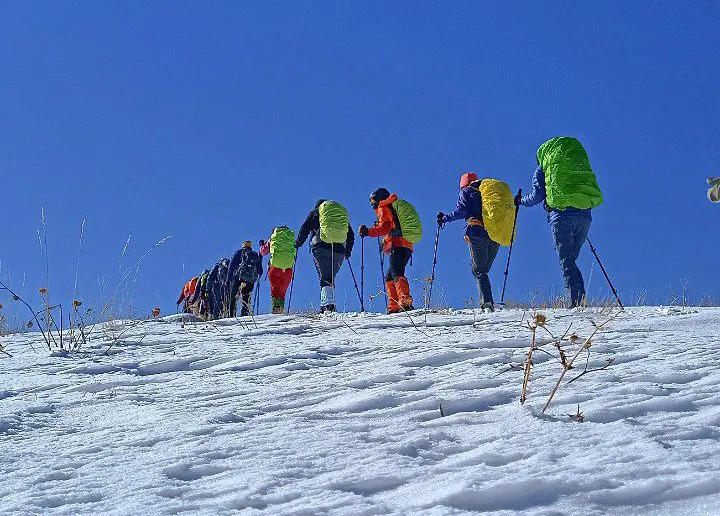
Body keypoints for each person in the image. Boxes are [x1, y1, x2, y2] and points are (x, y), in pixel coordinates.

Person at [516, 136, 603, 307]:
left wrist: (520, 201)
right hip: (584, 216)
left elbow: (537, 196)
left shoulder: (542, 170)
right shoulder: (576, 164)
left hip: (561, 216)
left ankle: (574, 302)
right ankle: (579, 299)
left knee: (566, 260)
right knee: (571, 259)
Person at [438, 173, 500, 312]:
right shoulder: (488, 193)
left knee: (479, 270)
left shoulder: (467, 191)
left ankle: (487, 304)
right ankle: (488, 301)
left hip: (477, 233)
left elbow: (461, 211)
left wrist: (445, 219)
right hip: (495, 235)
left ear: (463, 184)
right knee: (483, 270)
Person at [359, 188, 422, 314]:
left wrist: (368, 231)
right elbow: (391, 228)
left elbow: (384, 228)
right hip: (406, 245)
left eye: (373, 201)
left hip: (398, 244)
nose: (372, 205)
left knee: (396, 272)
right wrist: (385, 243)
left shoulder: (384, 207)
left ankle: (405, 302)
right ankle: (394, 306)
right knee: (389, 276)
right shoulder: (392, 208)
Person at [295, 199, 355, 313]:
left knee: (326, 276)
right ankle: (325, 306)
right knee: (329, 276)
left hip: (321, 247)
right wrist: (348, 252)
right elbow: (350, 234)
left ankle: (329, 306)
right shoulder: (337, 215)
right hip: (339, 251)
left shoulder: (315, 213)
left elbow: (304, 229)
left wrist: (298, 243)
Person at [260, 226, 296, 314]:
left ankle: (276, 309)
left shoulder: (272, 239)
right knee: (283, 290)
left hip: (275, 267)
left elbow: (263, 252)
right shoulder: (291, 239)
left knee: (275, 287)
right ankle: (281, 309)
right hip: (288, 269)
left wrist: (261, 245)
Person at [227, 241, 263, 317]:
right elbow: (260, 270)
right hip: (250, 280)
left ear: (243, 246)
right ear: (251, 246)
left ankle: (231, 315)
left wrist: (229, 279)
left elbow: (231, 267)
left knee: (233, 297)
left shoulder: (238, 253)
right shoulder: (255, 254)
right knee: (246, 297)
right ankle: (244, 314)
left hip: (238, 278)